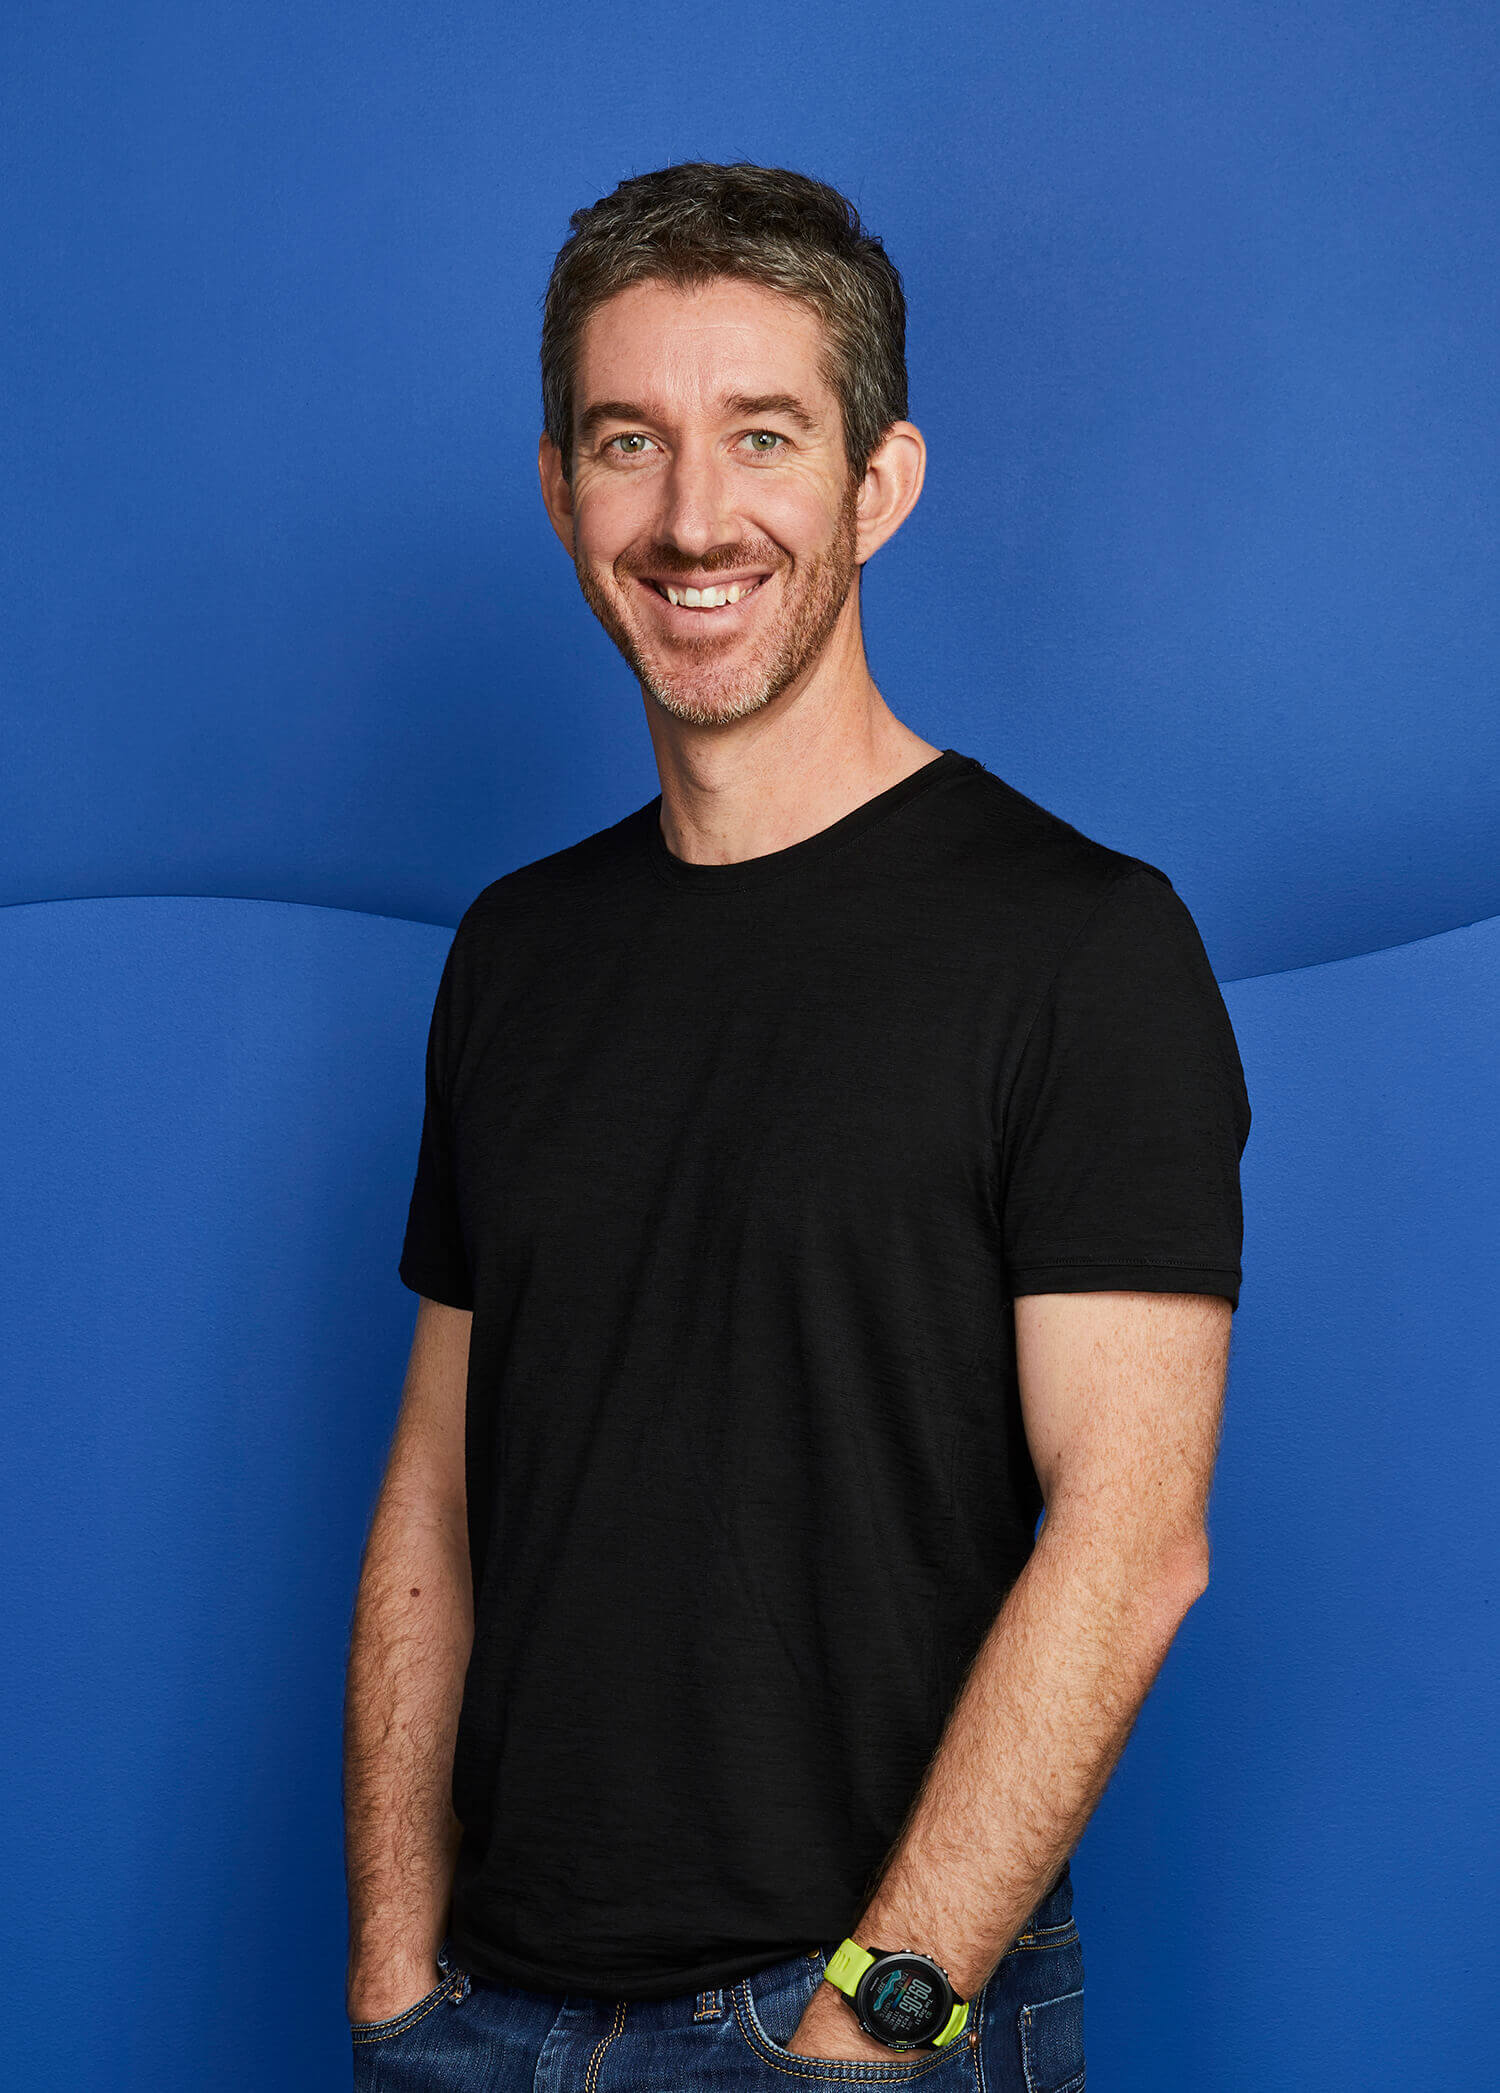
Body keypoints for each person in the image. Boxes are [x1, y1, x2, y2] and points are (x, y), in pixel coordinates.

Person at [342, 161, 1251, 2091]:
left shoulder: (1082, 944)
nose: (693, 518)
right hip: (480, 2018)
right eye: (629, 442)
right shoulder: (515, 951)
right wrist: (396, 1973)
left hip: (845, 2016)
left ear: (877, 484)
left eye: (762, 435)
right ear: (560, 490)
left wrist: (866, 2030)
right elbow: (434, 1485)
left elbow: (1133, 1540)